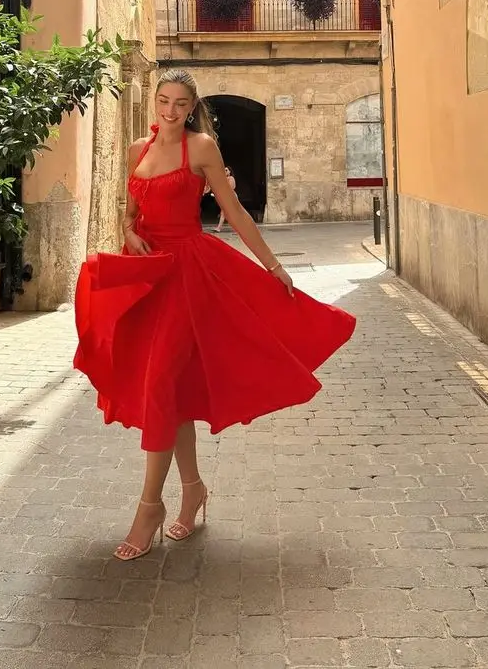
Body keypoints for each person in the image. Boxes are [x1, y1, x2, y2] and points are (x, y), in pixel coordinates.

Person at [73, 69, 356, 561]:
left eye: (180, 103)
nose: (169, 111)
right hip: (147, 276)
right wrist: (129, 229)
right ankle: (194, 490)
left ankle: (148, 507)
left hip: (189, 275)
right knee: (170, 390)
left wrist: (272, 264)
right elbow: (129, 209)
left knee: (160, 382)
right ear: (154, 103)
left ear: (191, 106)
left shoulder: (201, 148)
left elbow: (236, 211)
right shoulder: (136, 150)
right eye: (163, 101)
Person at [211, 165, 236, 232]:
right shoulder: (225, 179)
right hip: (227, 197)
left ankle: (219, 228)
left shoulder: (231, 178)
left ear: (230, 172)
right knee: (224, 213)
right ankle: (219, 228)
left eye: (226, 170)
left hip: (230, 197)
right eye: (224, 170)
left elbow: (231, 188)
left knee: (226, 213)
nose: (225, 172)